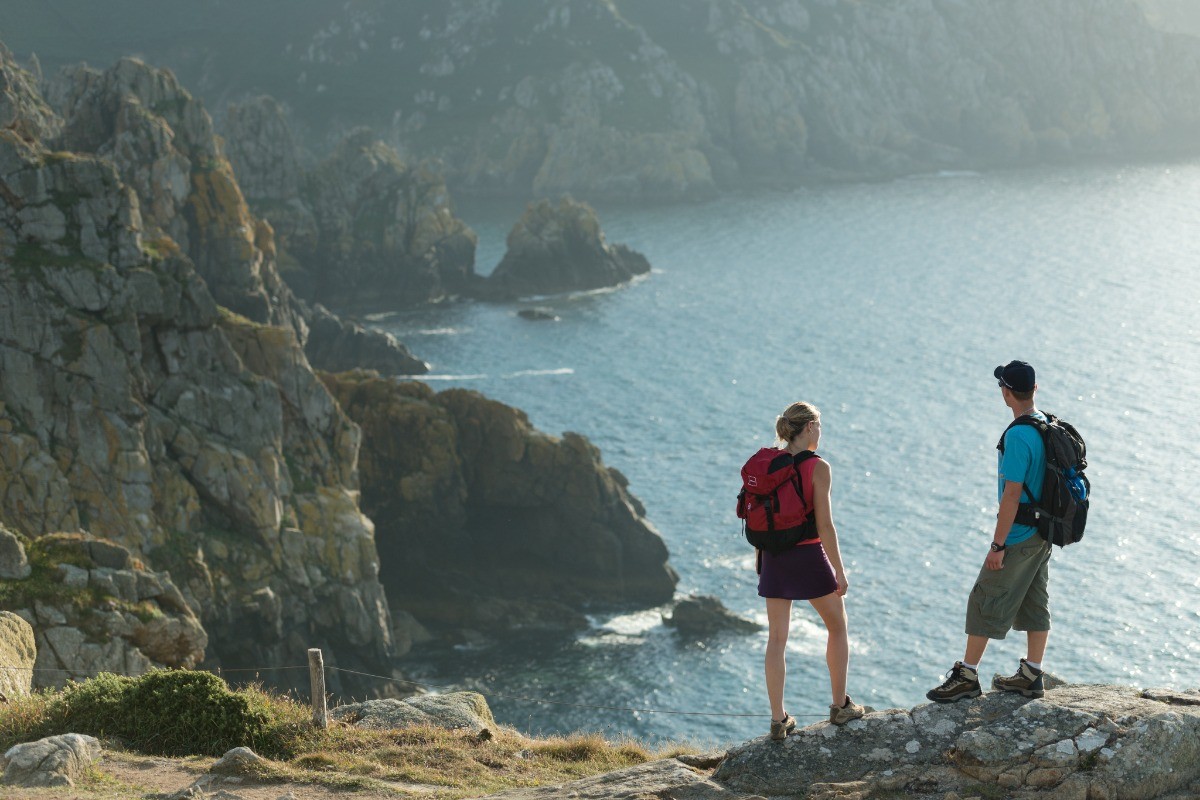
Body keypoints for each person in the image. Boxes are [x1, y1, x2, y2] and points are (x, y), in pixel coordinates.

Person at [926, 360, 1053, 703]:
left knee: (983, 597)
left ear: (1006, 392)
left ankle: (967, 675)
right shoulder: (1045, 424)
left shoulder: (1018, 435)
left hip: (1019, 533)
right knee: (1034, 599)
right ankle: (1032, 673)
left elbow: (1012, 495)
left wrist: (998, 545)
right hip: (1044, 533)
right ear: (1035, 390)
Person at [760, 401, 865, 739]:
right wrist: (840, 570)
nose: (821, 431)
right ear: (808, 428)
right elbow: (825, 526)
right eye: (819, 425)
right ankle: (840, 706)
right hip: (807, 554)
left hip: (773, 556)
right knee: (838, 626)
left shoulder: (769, 463)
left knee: (777, 637)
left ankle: (778, 720)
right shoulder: (818, 467)